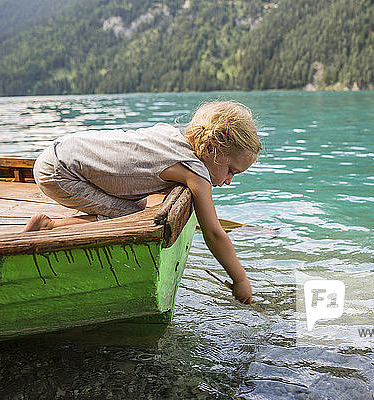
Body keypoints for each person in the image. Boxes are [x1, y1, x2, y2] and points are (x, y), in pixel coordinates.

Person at [23, 100, 261, 304]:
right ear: (211, 148)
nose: (229, 180)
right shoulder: (196, 172)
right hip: (61, 174)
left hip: (61, 152)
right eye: (231, 170)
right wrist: (240, 279)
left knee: (137, 205)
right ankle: (50, 228)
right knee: (133, 219)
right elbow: (214, 232)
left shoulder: (172, 135)